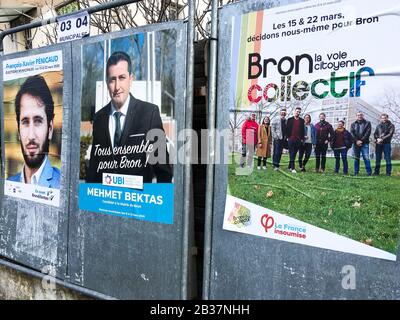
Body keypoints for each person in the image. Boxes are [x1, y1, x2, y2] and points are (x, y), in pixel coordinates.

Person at [86, 51, 172, 183]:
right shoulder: (99, 118)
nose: (117, 87)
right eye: (112, 79)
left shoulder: (149, 114)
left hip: (138, 201)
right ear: (107, 82)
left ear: (131, 79)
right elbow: (94, 169)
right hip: (106, 200)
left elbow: (163, 171)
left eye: (122, 78)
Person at [8, 75, 61, 188]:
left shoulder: (63, 186)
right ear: (18, 131)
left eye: (38, 121)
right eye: (25, 122)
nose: (31, 136)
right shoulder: (9, 184)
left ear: (50, 129)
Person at [350, 111, 372, 176]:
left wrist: (361, 141)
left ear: (363, 116)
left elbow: (368, 133)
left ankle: (369, 173)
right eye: (358, 115)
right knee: (356, 158)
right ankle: (356, 172)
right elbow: (352, 133)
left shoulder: (367, 123)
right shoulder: (353, 124)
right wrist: (356, 141)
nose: (360, 116)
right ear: (356, 116)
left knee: (366, 158)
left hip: (365, 143)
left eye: (361, 115)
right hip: (355, 144)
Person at [285, 107, 305, 173]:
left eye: (299, 112)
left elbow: (302, 130)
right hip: (291, 139)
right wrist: (287, 137)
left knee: (294, 154)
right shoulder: (290, 119)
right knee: (292, 153)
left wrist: (302, 139)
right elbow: (287, 129)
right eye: (297, 111)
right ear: (294, 111)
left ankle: (289, 166)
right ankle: (293, 168)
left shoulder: (302, 121)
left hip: (298, 140)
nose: (298, 113)